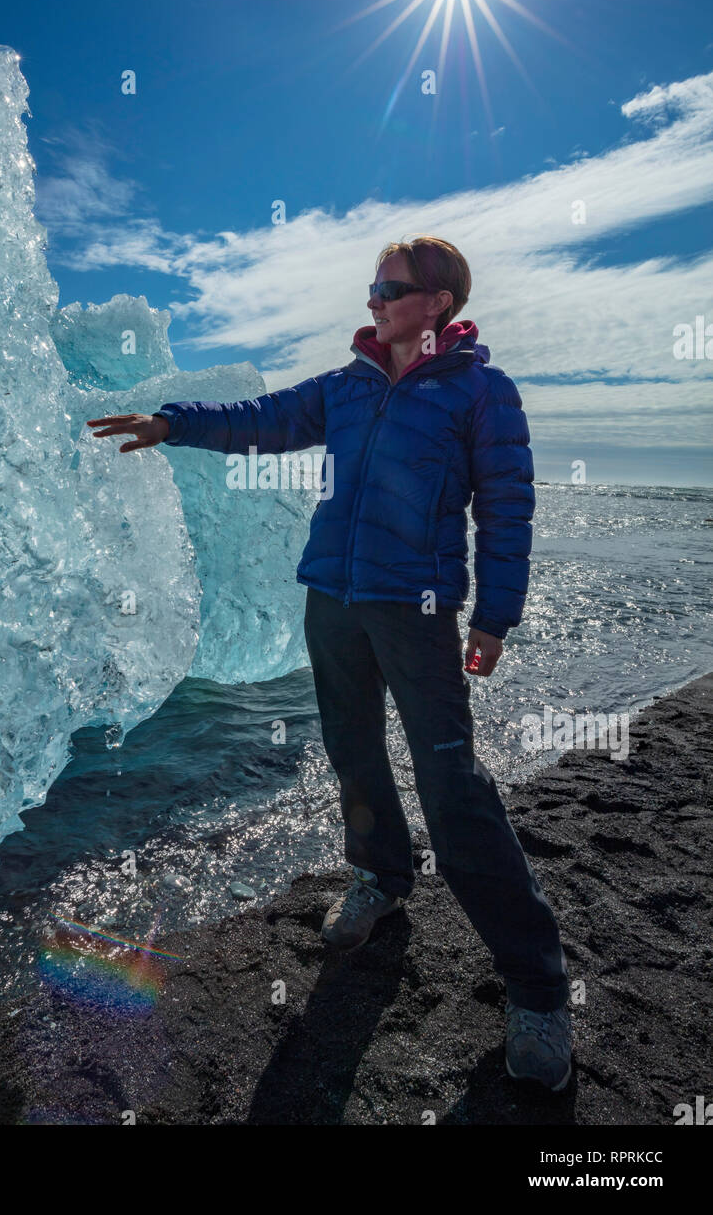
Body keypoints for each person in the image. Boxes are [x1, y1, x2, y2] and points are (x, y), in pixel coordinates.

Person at [88, 235, 572, 1093]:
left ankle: (537, 987)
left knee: (454, 790)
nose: (376, 298)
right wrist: (174, 423)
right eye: (375, 286)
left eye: (392, 287)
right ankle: (380, 877)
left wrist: (497, 617)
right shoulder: (347, 386)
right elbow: (262, 419)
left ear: (439, 302)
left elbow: (507, 510)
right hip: (333, 602)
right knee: (352, 754)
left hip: (418, 613)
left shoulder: (480, 392)